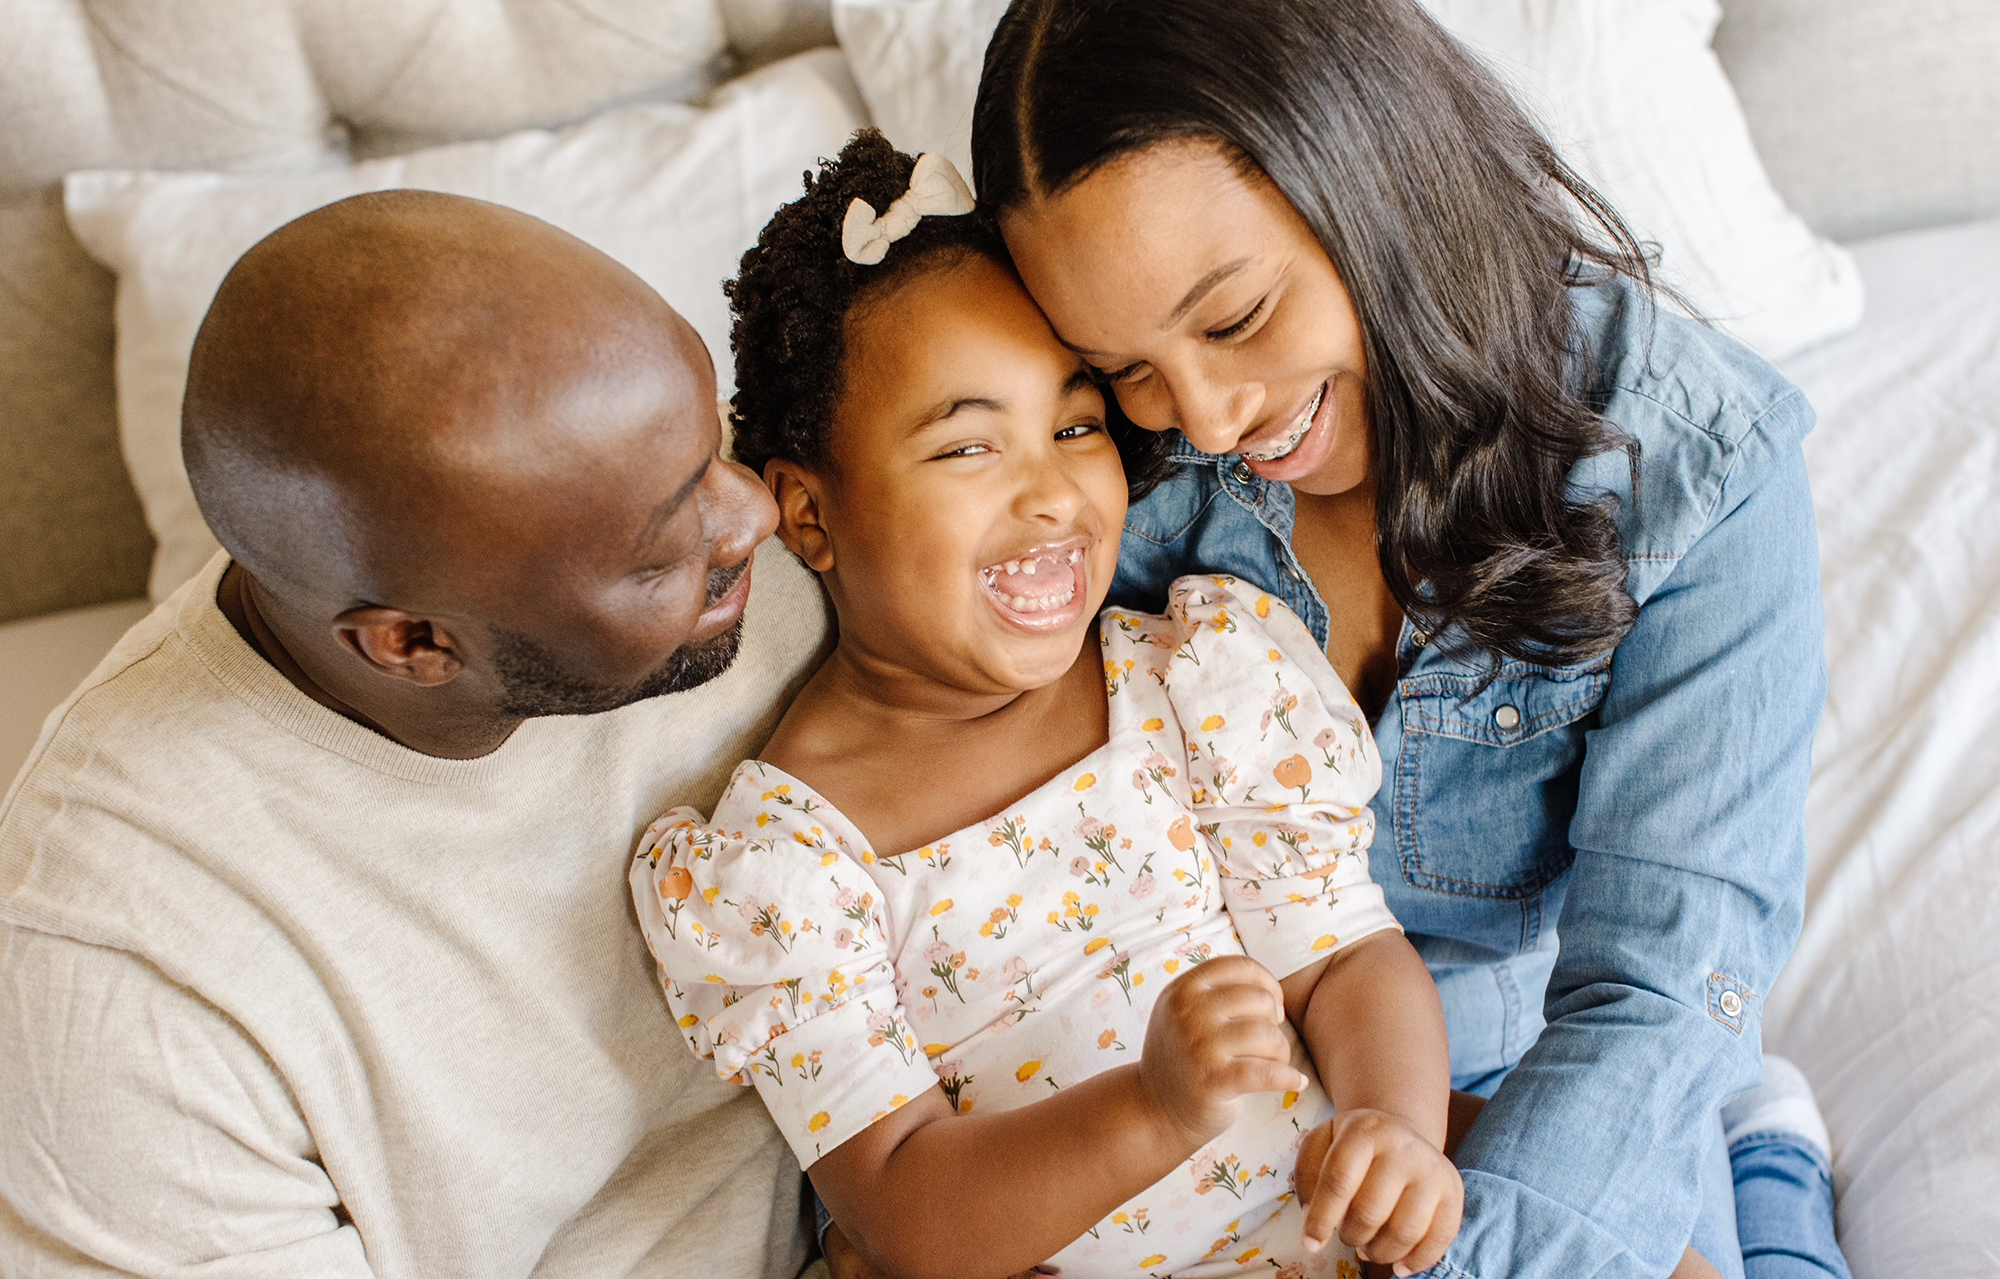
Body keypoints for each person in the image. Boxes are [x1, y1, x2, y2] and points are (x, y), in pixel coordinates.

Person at [966, 1, 1847, 1277]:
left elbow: (1654, 994)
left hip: (1526, 1056)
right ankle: (1764, 1164)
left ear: (1373, 167)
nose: (1206, 420)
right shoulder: (1113, 453)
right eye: (1127, 367)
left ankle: (1763, 1164)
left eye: (1234, 318)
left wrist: (1449, 1241)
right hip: (1189, 1057)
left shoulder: (1702, 471)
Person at [630, 135, 1462, 1279]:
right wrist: (1155, 1108)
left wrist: (1394, 1132)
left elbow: (1344, 959)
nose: (1050, 489)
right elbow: (903, 1215)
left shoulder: (1191, 685)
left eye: (1075, 426)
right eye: (968, 444)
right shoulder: (791, 868)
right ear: (809, 516)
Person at [0, 191, 815, 1275]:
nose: (755, 512)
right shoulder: (120, 975)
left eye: (711, 441)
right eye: (661, 552)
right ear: (415, 644)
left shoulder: (753, 529)